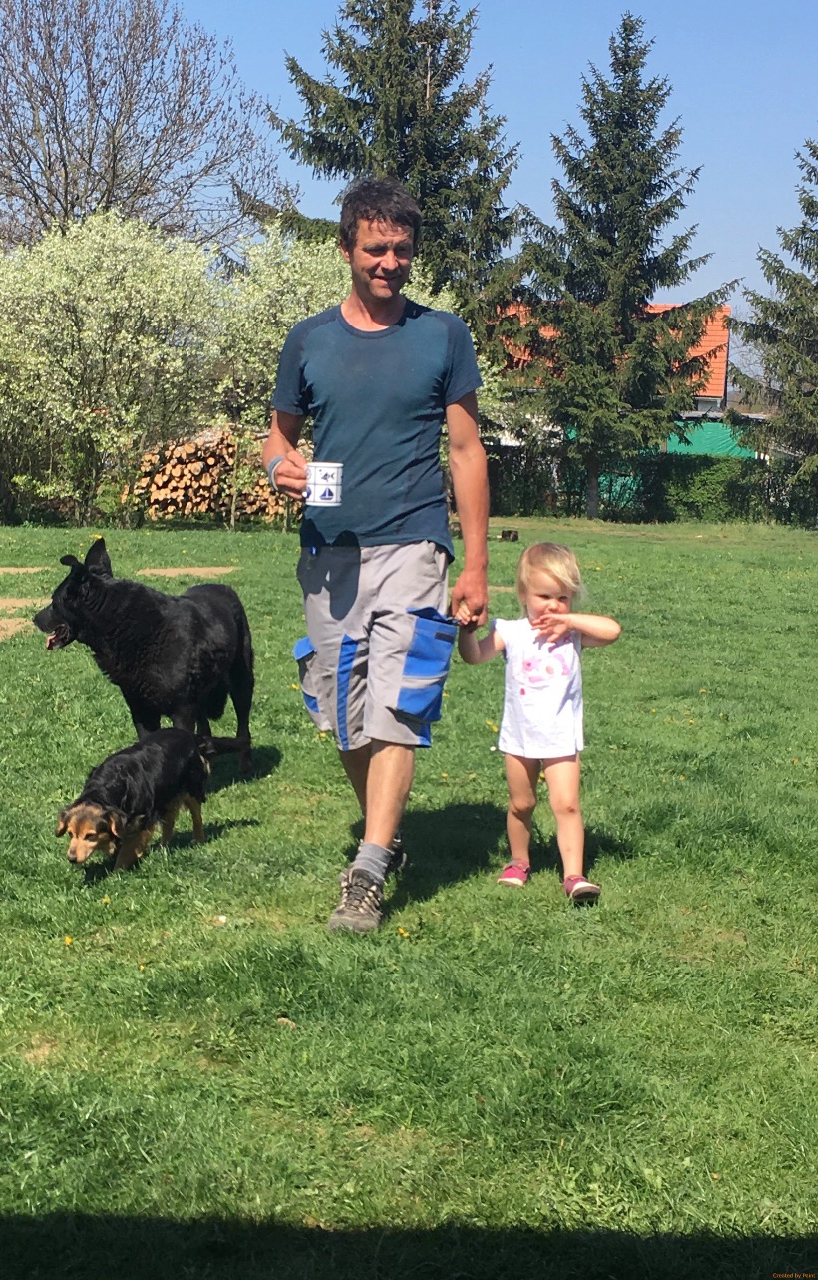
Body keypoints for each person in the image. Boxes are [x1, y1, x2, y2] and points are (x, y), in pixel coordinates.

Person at [262, 176, 489, 933]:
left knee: (399, 705)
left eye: (401, 249)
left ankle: (364, 876)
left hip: (415, 542)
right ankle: (385, 836)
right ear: (346, 249)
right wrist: (279, 467)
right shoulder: (309, 341)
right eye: (375, 249)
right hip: (329, 552)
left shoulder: (443, 336)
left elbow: (466, 452)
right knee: (342, 716)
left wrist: (476, 565)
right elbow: (278, 437)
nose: (390, 263)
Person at [457, 542, 621, 902]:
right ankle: (519, 861)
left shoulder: (572, 634)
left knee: (567, 805)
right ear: (523, 594)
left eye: (563, 598)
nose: (554, 606)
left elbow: (612, 631)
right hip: (519, 737)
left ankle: (574, 876)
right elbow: (474, 657)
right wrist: (466, 632)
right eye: (544, 596)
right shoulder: (512, 632)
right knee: (522, 804)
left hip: (561, 737)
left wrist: (571, 621)